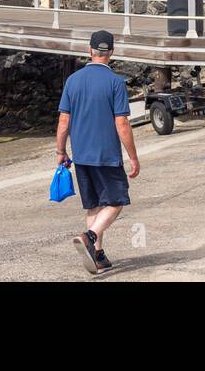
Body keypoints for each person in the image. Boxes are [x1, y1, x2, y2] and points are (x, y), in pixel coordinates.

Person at [55, 30, 140, 275]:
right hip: (106, 155)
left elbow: (63, 121)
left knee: (93, 205)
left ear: (89, 50)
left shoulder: (72, 81)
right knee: (116, 201)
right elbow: (122, 123)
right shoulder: (115, 82)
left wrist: (60, 151)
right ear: (111, 52)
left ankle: (98, 255)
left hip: (80, 155)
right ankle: (90, 236)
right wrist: (133, 156)